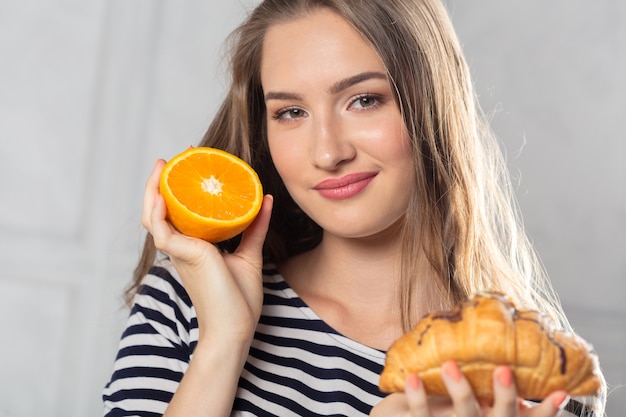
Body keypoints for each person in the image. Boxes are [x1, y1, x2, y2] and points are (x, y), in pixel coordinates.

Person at [103, 0, 606, 416]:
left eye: (363, 100)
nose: (327, 152)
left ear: (433, 100)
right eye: (291, 112)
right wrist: (224, 340)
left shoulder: (539, 380)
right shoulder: (189, 303)